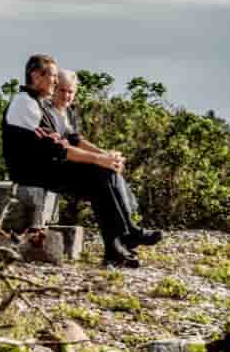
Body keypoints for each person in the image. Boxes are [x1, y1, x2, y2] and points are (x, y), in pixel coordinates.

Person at [2, 54, 142, 267]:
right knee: (99, 173)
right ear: (36, 76)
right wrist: (98, 159)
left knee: (103, 176)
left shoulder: (41, 104)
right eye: (53, 76)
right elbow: (56, 148)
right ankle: (125, 237)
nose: (56, 81)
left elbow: (69, 141)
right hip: (32, 171)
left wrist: (103, 158)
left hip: (48, 166)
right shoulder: (24, 103)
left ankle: (117, 248)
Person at [45, 69, 161, 248]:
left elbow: (77, 140)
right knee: (101, 176)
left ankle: (122, 241)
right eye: (62, 90)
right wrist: (99, 159)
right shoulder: (46, 111)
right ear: (53, 88)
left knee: (107, 173)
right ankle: (128, 234)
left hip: (70, 163)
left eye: (70, 92)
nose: (66, 95)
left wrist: (105, 155)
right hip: (52, 168)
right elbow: (63, 149)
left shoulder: (68, 112)